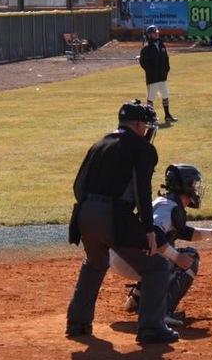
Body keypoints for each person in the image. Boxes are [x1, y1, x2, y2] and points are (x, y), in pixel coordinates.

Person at [66, 99, 180, 344]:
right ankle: (151, 328)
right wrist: (148, 230)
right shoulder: (142, 149)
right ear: (138, 125)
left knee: (95, 263)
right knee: (157, 267)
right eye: (145, 125)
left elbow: (78, 186)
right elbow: (142, 190)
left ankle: (77, 322)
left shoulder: (99, 144)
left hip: (84, 213)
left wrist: (91, 211)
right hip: (113, 216)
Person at [113, 164, 212, 327]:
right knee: (189, 258)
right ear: (185, 186)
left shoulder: (168, 204)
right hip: (128, 259)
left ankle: (137, 299)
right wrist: (177, 258)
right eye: (194, 184)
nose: (196, 189)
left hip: (124, 255)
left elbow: (185, 232)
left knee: (168, 248)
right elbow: (155, 233)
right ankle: (162, 313)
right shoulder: (169, 207)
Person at [139, 25, 179, 123]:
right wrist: (151, 71)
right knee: (151, 98)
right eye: (154, 33)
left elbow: (166, 58)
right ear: (149, 35)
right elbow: (143, 62)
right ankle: (150, 116)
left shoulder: (161, 44)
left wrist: (167, 69)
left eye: (157, 32)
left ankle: (167, 115)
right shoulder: (146, 48)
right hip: (153, 78)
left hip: (162, 76)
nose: (156, 34)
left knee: (165, 95)